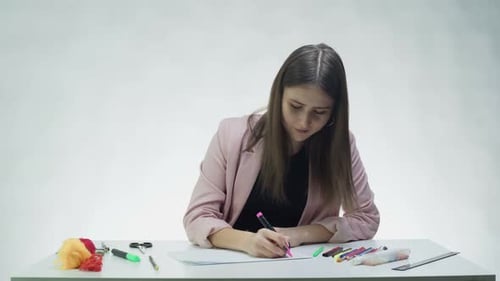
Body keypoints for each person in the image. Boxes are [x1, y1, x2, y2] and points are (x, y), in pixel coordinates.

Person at [183, 43, 380, 258]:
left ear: (334, 112)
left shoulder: (341, 146)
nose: (304, 122)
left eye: (320, 112)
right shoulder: (232, 135)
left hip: (301, 270)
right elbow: (197, 217)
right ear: (278, 96)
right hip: (232, 267)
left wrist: (299, 234)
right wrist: (247, 241)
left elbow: (366, 219)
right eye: (295, 106)